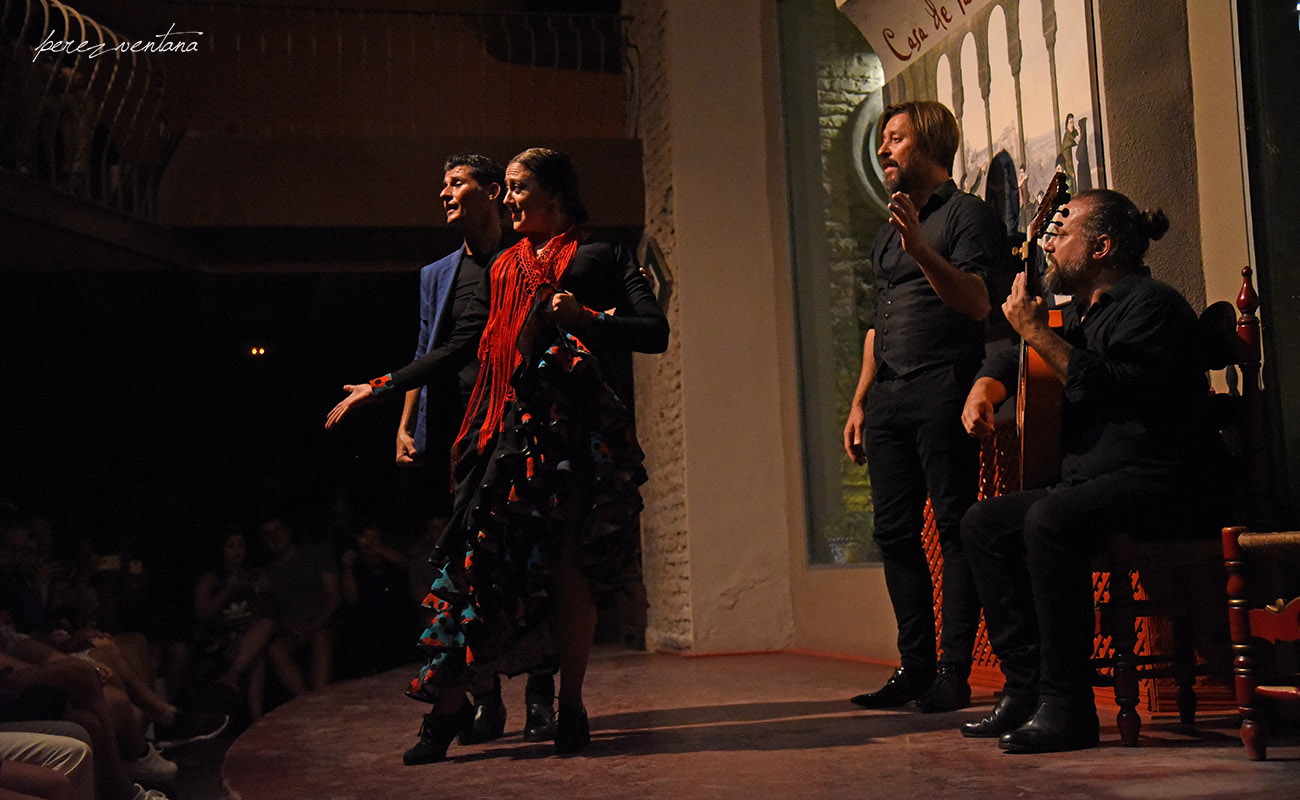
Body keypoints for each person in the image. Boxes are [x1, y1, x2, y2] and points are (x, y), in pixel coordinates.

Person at [326, 147, 668, 763]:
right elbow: (462, 347)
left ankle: (570, 706)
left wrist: (586, 317)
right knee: (471, 567)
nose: (508, 200)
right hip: (506, 435)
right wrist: (384, 386)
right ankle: (452, 705)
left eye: (517, 188)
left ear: (553, 192)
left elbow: (655, 332)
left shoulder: (603, 253)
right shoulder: (504, 266)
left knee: (569, 568)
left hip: (572, 435)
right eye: (505, 188)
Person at [957, 189, 1226, 753]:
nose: (1049, 244)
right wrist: (987, 384)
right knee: (983, 522)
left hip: (1163, 479)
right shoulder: (1081, 312)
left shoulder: (1152, 304)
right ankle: (1026, 689)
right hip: (1098, 483)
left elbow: (1114, 388)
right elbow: (1017, 358)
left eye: (1063, 234)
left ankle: (1068, 705)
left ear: (1102, 247)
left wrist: (1037, 333)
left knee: (1050, 518)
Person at [843, 100, 1007, 713]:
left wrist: (920, 248)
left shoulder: (968, 216)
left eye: (895, 139)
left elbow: (975, 302)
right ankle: (913, 667)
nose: (883, 151)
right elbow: (874, 323)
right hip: (888, 395)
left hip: (944, 385)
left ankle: (954, 671)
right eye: (883, 140)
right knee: (892, 533)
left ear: (930, 145)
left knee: (953, 526)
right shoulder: (890, 227)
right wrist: (860, 400)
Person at [390, 153, 557, 743]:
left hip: (522, 428)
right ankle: (485, 698)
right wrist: (406, 422)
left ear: (491, 192)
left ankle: (541, 691)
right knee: (470, 566)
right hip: (464, 432)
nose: (444, 192)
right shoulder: (437, 273)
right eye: (441, 183)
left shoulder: (525, 260)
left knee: (528, 560)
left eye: (456, 182)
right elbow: (426, 345)